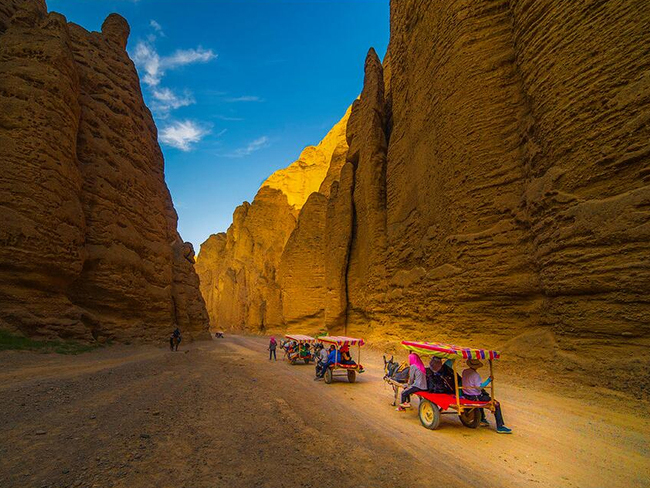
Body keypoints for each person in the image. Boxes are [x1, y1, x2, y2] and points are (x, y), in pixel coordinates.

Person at [461, 359, 512, 434]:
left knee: (484, 395)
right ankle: (500, 426)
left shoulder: (464, 371)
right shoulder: (475, 375)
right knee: (496, 403)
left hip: (466, 394)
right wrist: (489, 380)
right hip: (474, 396)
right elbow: (479, 387)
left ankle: (482, 418)